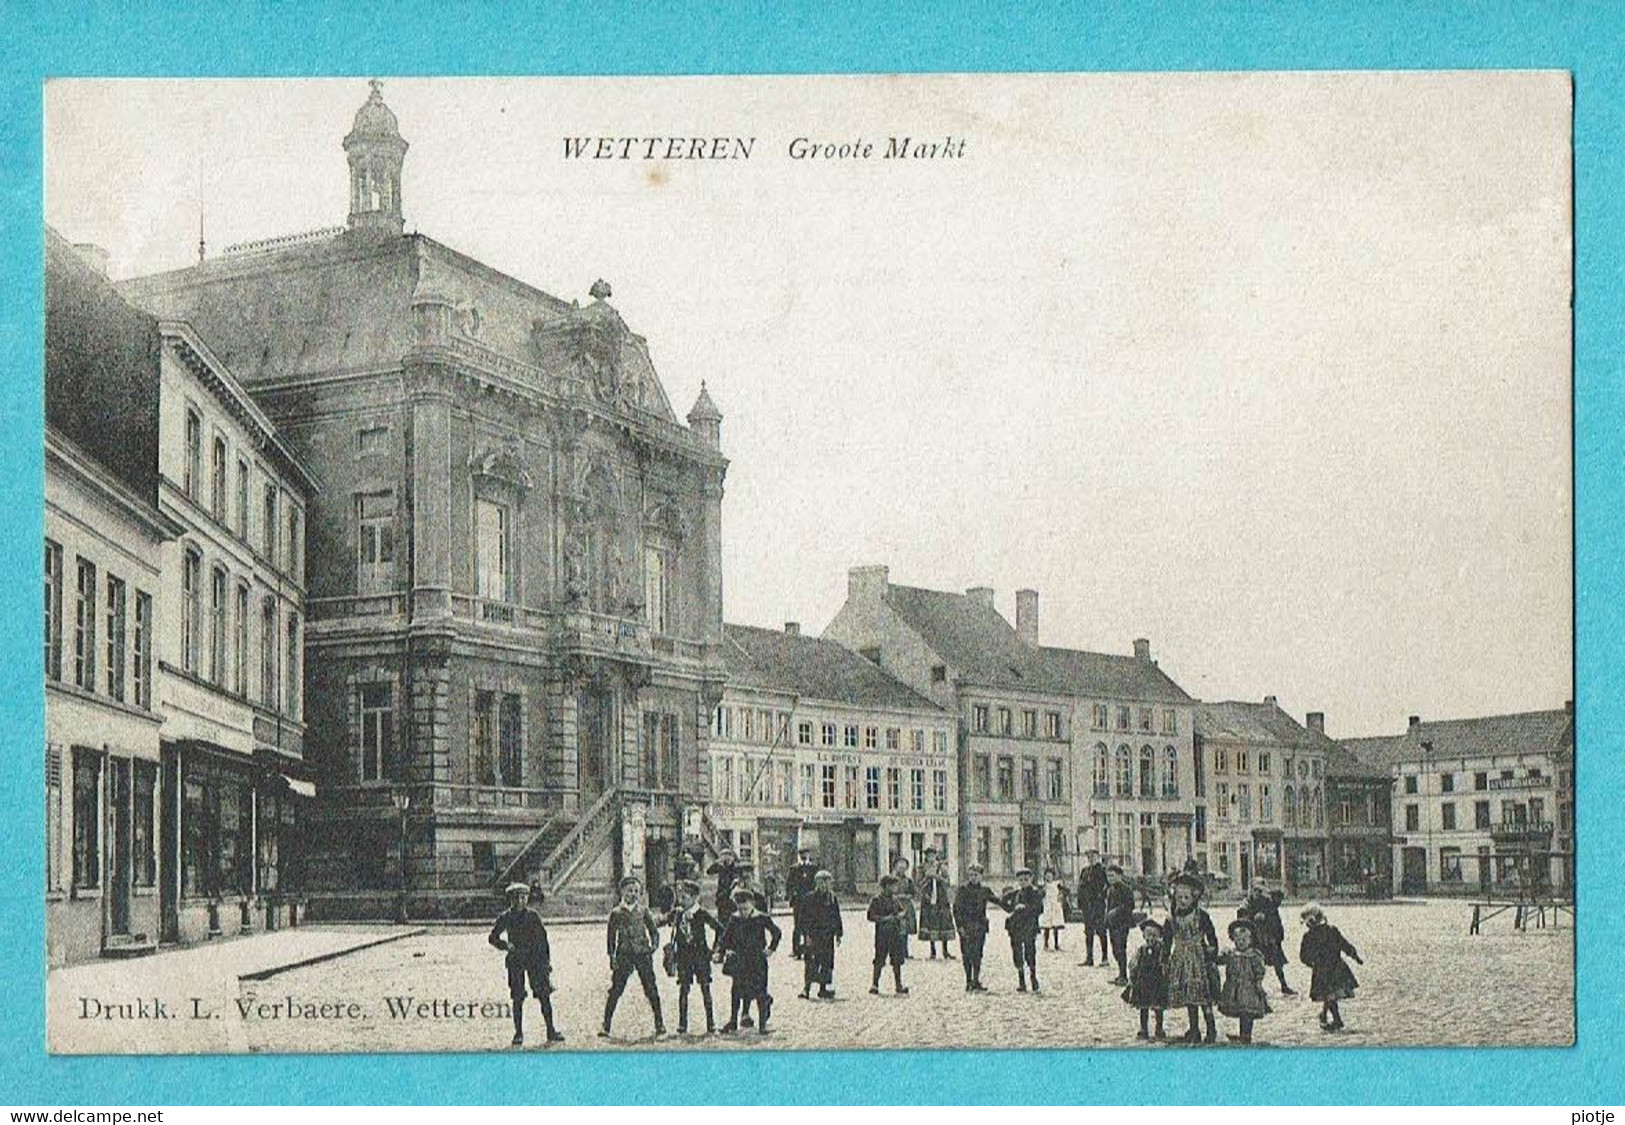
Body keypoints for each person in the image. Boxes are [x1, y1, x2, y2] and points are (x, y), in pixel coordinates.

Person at [488, 883, 563, 1047]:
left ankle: (551, 1030)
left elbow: (543, 940)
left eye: (523, 897)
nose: (520, 901)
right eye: (516, 898)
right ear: (510, 899)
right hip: (516, 960)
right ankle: (518, 1033)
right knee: (517, 997)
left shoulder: (533, 917)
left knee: (544, 995)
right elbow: (492, 937)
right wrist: (505, 945)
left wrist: (546, 962)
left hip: (535, 960)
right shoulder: (506, 917)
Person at [600, 876, 666, 1039]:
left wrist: (654, 946)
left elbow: (653, 931)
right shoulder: (616, 913)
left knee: (651, 988)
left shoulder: (643, 911)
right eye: (630, 891)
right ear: (622, 892)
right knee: (616, 990)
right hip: (624, 954)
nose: (633, 894)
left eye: (636, 891)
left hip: (643, 954)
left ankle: (660, 1023)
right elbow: (610, 938)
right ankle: (606, 1025)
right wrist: (612, 957)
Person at [1164, 870, 1219, 1044]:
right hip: (1181, 957)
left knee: (1204, 994)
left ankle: (1211, 1028)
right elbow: (1167, 940)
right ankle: (1194, 1029)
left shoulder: (1201, 916)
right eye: (1179, 898)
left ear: (1193, 899)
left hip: (1199, 957)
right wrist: (1164, 959)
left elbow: (1211, 935)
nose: (1182, 901)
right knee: (1189, 995)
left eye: (1186, 898)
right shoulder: (1171, 918)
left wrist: (1212, 949)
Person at [718, 885, 782, 1034]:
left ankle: (762, 1025)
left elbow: (776, 933)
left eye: (745, 909)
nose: (743, 912)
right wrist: (725, 950)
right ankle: (733, 1021)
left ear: (752, 904)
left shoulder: (761, 918)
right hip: (740, 960)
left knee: (760, 991)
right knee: (736, 991)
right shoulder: (734, 919)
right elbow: (725, 938)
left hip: (758, 960)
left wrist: (771, 949)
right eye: (740, 909)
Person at [665, 879, 722, 1035]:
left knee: (705, 988)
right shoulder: (678, 913)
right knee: (683, 990)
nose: (681, 901)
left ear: (694, 897)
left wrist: (715, 948)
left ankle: (711, 1024)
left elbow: (720, 928)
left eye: (685, 897)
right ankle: (682, 1025)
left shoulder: (701, 913)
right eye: (680, 897)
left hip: (701, 957)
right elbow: (663, 921)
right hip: (683, 958)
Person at [1298, 903, 1363, 1031]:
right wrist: (1355, 956)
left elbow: (1343, 944)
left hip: (1330, 968)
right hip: (1330, 968)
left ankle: (1328, 1017)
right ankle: (1334, 1018)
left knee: (1330, 995)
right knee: (1330, 995)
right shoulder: (1322, 933)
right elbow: (1304, 955)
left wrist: (1312, 963)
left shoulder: (1318, 934)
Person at [952, 863, 1006, 992]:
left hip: (980, 926)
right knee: (966, 954)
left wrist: (1012, 904)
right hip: (966, 926)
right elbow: (956, 909)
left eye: (976, 875)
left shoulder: (984, 890)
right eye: (970, 875)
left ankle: (976, 980)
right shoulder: (963, 890)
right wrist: (959, 926)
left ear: (981, 876)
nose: (973, 878)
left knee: (978, 954)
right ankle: (968, 980)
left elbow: (998, 901)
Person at [1216, 918, 1271, 1044]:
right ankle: (1242, 1034)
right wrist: (1221, 955)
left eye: (1244, 940)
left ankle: (1246, 1035)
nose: (1240, 943)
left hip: (1249, 989)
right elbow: (1219, 961)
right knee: (1241, 1011)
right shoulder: (1232, 954)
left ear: (1250, 940)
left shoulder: (1254, 955)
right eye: (1238, 940)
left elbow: (1260, 969)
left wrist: (1258, 981)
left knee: (1248, 1012)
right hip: (1234, 989)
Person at [1239, 881, 1295, 995]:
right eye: (1255, 890)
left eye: (1260, 890)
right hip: (1254, 938)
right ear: (1251, 890)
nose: (1258, 893)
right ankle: (1255, 988)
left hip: (1267, 938)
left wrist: (1276, 934)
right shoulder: (1247, 902)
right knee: (1254, 964)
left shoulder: (1267, 902)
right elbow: (1241, 918)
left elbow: (1275, 918)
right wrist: (1252, 917)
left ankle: (1284, 985)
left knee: (1277, 962)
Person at [1121, 914, 1168, 1040]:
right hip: (1144, 982)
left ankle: (1159, 1028)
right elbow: (1134, 964)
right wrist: (1132, 977)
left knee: (1158, 1007)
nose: (1151, 939)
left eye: (1154, 936)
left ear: (1158, 937)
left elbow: (1165, 963)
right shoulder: (1141, 950)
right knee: (1143, 1006)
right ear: (1144, 936)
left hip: (1157, 981)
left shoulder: (1161, 950)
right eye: (1149, 935)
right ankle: (1143, 1028)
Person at [798, 869, 843, 999]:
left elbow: (836, 916)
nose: (824, 885)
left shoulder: (832, 898)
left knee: (826, 963)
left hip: (827, 936)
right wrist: (806, 935)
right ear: (816, 883)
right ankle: (806, 989)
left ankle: (823, 988)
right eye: (821, 882)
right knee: (811, 963)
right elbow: (803, 918)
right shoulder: (809, 898)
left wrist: (838, 933)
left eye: (827, 882)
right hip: (813, 935)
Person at [1001, 868, 1045, 992]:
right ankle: (1021, 981)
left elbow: (1039, 909)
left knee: (1030, 952)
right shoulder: (1015, 893)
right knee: (1017, 952)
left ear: (1031, 879)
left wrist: (1025, 908)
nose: (1023, 882)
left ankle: (1033, 976)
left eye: (1026, 879)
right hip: (1015, 927)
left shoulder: (1035, 893)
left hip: (1029, 926)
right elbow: (1003, 901)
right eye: (1021, 880)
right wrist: (1012, 908)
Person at [867, 873, 911, 995]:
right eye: (893, 886)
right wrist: (885, 919)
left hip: (895, 933)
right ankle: (875, 984)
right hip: (882, 934)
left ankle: (898, 984)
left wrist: (901, 915)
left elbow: (903, 911)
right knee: (879, 959)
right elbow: (870, 916)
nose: (895, 888)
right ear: (886, 886)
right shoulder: (876, 900)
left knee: (897, 960)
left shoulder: (895, 900)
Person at [1103, 865, 1137, 985]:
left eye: (1112, 875)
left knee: (1120, 948)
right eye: (1108, 876)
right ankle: (1120, 973)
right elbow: (1108, 907)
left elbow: (1130, 906)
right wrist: (1106, 920)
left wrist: (1116, 911)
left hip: (1122, 923)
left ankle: (1124, 976)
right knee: (1114, 949)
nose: (1110, 878)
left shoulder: (1126, 889)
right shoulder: (1110, 890)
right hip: (1112, 924)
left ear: (1119, 875)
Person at [917, 858, 957, 959]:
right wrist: (927, 877)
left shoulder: (942, 868)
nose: (931, 857)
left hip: (942, 900)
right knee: (931, 924)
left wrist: (938, 877)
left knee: (944, 923)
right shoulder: (922, 868)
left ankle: (945, 950)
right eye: (929, 855)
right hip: (929, 900)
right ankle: (933, 950)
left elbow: (947, 882)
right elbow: (918, 884)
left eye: (933, 854)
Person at [1075, 851, 1109, 967]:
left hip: (1098, 905)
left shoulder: (1102, 870)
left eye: (1093, 856)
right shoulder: (1084, 871)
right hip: (1087, 906)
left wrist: (1101, 896)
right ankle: (1089, 958)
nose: (1091, 858)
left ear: (1097, 857)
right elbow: (1080, 886)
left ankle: (1105, 958)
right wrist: (1080, 902)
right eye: (1089, 857)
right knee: (1088, 932)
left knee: (1101, 931)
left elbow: (1107, 885)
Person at [784, 846, 819, 959]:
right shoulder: (794, 868)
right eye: (802, 854)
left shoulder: (814, 868)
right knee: (797, 925)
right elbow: (789, 884)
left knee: (809, 924)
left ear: (809, 855)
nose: (804, 856)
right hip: (798, 902)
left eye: (806, 854)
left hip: (811, 902)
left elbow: (816, 884)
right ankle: (796, 950)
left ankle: (809, 948)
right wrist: (791, 894)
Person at [890, 856, 918, 958]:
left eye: (904, 866)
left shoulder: (908, 881)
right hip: (894, 906)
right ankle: (894, 952)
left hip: (906, 906)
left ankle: (905, 951)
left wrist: (907, 896)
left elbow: (913, 893)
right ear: (895, 867)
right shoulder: (891, 880)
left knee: (904, 930)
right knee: (895, 929)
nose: (901, 868)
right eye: (899, 866)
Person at [708, 847, 743, 925]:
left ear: (732, 857)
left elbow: (737, 880)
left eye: (729, 856)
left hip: (732, 898)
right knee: (721, 922)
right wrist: (717, 861)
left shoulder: (736, 868)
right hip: (721, 898)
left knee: (732, 921)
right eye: (724, 856)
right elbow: (709, 871)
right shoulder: (721, 867)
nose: (727, 859)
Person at [1038, 866, 1068, 951]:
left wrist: (1061, 895)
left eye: (1050, 876)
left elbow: (1066, 891)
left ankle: (1056, 944)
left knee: (1056, 926)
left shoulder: (1057, 884)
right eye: (1047, 876)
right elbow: (1040, 895)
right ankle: (1046, 944)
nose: (1048, 877)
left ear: (1053, 876)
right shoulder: (1044, 885)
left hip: (1055, 906)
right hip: (1047, 906)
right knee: (1047, 926)